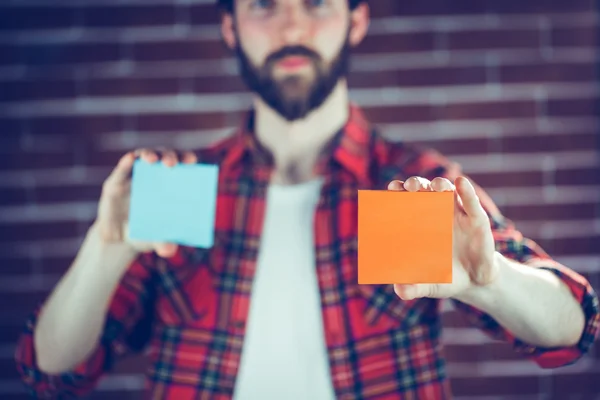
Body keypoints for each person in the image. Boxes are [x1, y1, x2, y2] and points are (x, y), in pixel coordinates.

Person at [15, 0, 600, 399]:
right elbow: (50, 375)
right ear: (230, 27)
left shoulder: (414, 183)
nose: (291, 28)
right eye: (264, 4)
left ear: (356, 18)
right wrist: (106, 248)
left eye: (317, 1)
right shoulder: (180, 189)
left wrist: (491, 279)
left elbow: (577, 328)